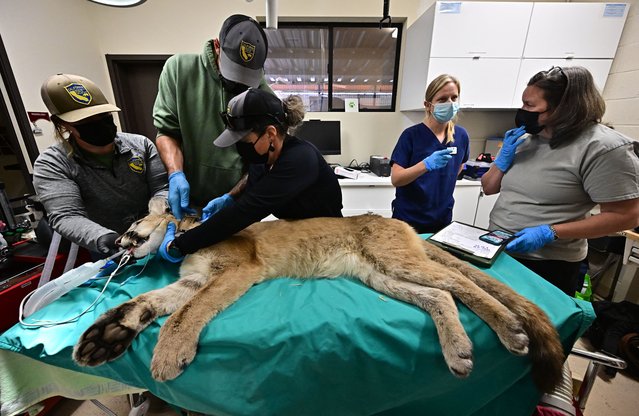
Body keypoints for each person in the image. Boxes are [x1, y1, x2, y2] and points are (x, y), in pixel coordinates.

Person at [482, 66, 639, 295]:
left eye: (530, 106)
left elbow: (626, 216)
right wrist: (502, 160)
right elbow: (488, 187)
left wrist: (551, 232)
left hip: (548, 264)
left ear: (563, 108)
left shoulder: (603, 148)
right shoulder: (529, 139)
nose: (522, 111)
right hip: (500, 250)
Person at [157, 88, 343, 262]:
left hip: (328, 239)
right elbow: (250, 192)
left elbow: (247, 211)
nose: (239, 148)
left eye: (244, 140)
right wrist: (228, 198)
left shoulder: (300, 159)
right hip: (296, 233)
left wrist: (180, 245)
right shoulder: (261, 158)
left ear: (270, 133)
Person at [33, 73, 168, 257]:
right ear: (62, 124)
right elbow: (67, 215)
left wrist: (151, 221)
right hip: (109, 244)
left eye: (102, 116)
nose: (96, 123)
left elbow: (161, 188)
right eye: (84, 121)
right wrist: (103, 237)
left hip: (157, 232)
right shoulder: (53, 164)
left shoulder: (141, 145)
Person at [153, 14, 273, 220]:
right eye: (234, 71)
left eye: (247, 77)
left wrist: (233, 196)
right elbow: (166, 132)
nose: (239, 83)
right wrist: (175, 174)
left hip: (237, 198)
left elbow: (264, 154)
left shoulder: (260, 88)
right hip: (190, 198)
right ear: (217, 46)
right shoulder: (179, 69)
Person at [389, 74, 470, 234]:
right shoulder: (411, 136)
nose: (450, 103)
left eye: (454, 98)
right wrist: (425, 165)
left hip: (442, 220)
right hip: (409, 221)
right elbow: (396, 179)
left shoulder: (461, 136)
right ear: (428, 105)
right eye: (442, 99)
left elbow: (459, 167)